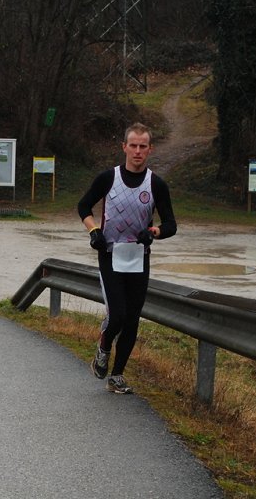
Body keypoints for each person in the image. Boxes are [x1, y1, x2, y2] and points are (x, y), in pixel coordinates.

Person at [77, 122, 176, 395]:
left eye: (143, 146)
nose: (137, 151)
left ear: (150, 149)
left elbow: (171, 224)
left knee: (132, 319)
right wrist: (94, 231)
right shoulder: (108, 178)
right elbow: (83, 206)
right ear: (124, 147)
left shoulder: (156, 184)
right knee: (117, 315)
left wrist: (153, 232)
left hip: (138, 257)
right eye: (133, 145)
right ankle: (104, 346)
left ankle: (117, 376)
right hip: (110, 254)